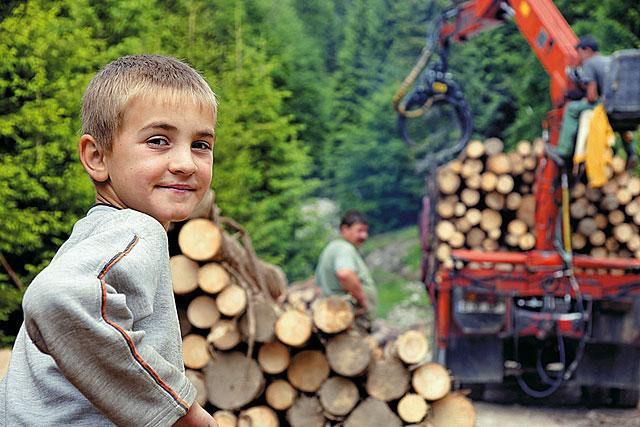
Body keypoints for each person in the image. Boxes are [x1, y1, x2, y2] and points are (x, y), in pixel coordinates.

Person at [0, 55, 218, 426]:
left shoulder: (100, 232)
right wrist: (183, 413)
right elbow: (54, 296)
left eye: (201, 144)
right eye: (158, 141)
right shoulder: (137, 230)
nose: (186, 163)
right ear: (97, 157)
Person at [315, 210, 378, 327]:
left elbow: (318, 287)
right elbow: (345, 274)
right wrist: (362, 301)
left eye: (365, 231)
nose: (364, 236)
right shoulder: (344, 248)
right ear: (344, 229)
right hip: (350, 318)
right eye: (359, 230)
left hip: (336, 316)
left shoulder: (331, 248)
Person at [555, 35, 612, 161]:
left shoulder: (589, 63)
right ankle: (631, 153)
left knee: (571, 109)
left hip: (602, 105)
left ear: (587, 50)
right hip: (616, 104)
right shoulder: (609, 60)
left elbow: (591, 97)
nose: (579, 58)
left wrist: (583, 99)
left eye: (579, 53)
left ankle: (563, 151)